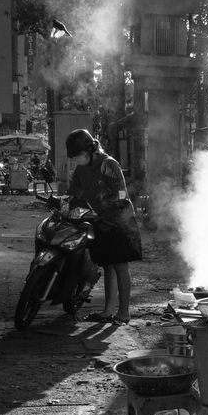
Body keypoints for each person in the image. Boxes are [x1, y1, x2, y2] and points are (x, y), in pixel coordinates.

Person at [65, 129, 142, 325]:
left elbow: (122, 194)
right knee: (108, 265)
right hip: (100, 221)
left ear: (88, 152)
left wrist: (108, 204)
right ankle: (108, 311)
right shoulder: (81, 169)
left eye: (77, 156)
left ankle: (123, 313)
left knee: (120, 266)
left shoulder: (108, 164)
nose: (75, 161)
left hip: (120, 221)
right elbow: (74, 193)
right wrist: (69, 204)